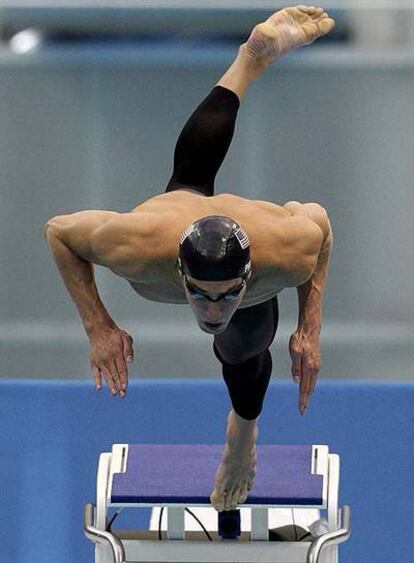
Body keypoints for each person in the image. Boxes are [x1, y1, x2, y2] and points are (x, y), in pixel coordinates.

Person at [44, 5, 335, 512]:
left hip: (256, 243)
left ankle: (242, 440)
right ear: (178, 271)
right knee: (188, 180)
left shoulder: (286, 253)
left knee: (242, 340)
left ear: (248, 273)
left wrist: (310, 325)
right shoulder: (138, 247)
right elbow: (59, 232)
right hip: (172, 219)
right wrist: (99, 326)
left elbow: (321, 222)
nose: (212, 310)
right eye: (201, 294)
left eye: (225, 294)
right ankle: (251, 58)